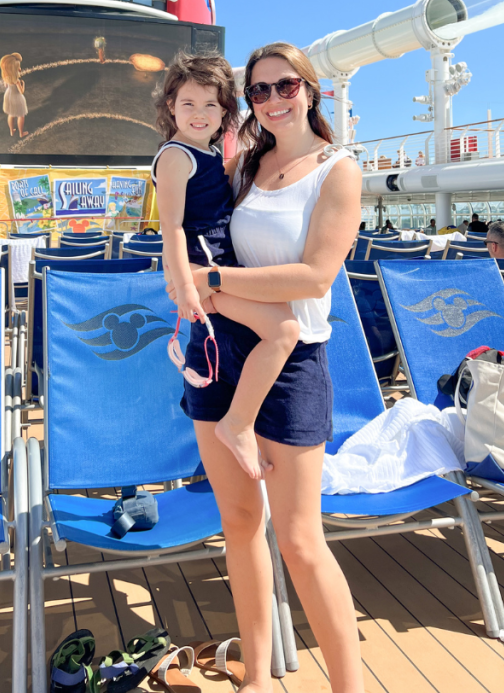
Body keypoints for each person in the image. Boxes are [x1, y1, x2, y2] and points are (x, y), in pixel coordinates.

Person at [166, 41, 364, 693]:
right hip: (220, 352)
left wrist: (213, 278)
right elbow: (192, 225)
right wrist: (193, 281)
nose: (273, 99)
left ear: (309, 89)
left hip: (290, 363)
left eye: (285, 86)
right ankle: (255, 676)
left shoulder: (336, 169)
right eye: (259, 91)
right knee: (241, 524)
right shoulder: (246, 166)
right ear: (245, 103)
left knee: (301, 543)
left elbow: (313, 276)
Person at [153, 51, 301, 481]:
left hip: (219, 268)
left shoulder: (208, 152)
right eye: (188, 104)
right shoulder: (176, 156)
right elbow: (173, 228)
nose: (199, 114)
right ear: (170, 108)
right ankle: (236, 423)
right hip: (208, 275)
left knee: (274, 329)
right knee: (285, 329)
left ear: (226, 112)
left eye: (210, 105)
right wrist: (184, 288)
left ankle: (239, 420)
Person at [0, 52, 29, 139]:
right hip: (16, 97)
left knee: (11, 114)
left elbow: (5, 85)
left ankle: (11, 131)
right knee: (21, 115)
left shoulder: (6, 76)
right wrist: (23, 84)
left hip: (8, 95)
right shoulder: (16, 80)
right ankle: (21, 133)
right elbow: (21, 91)